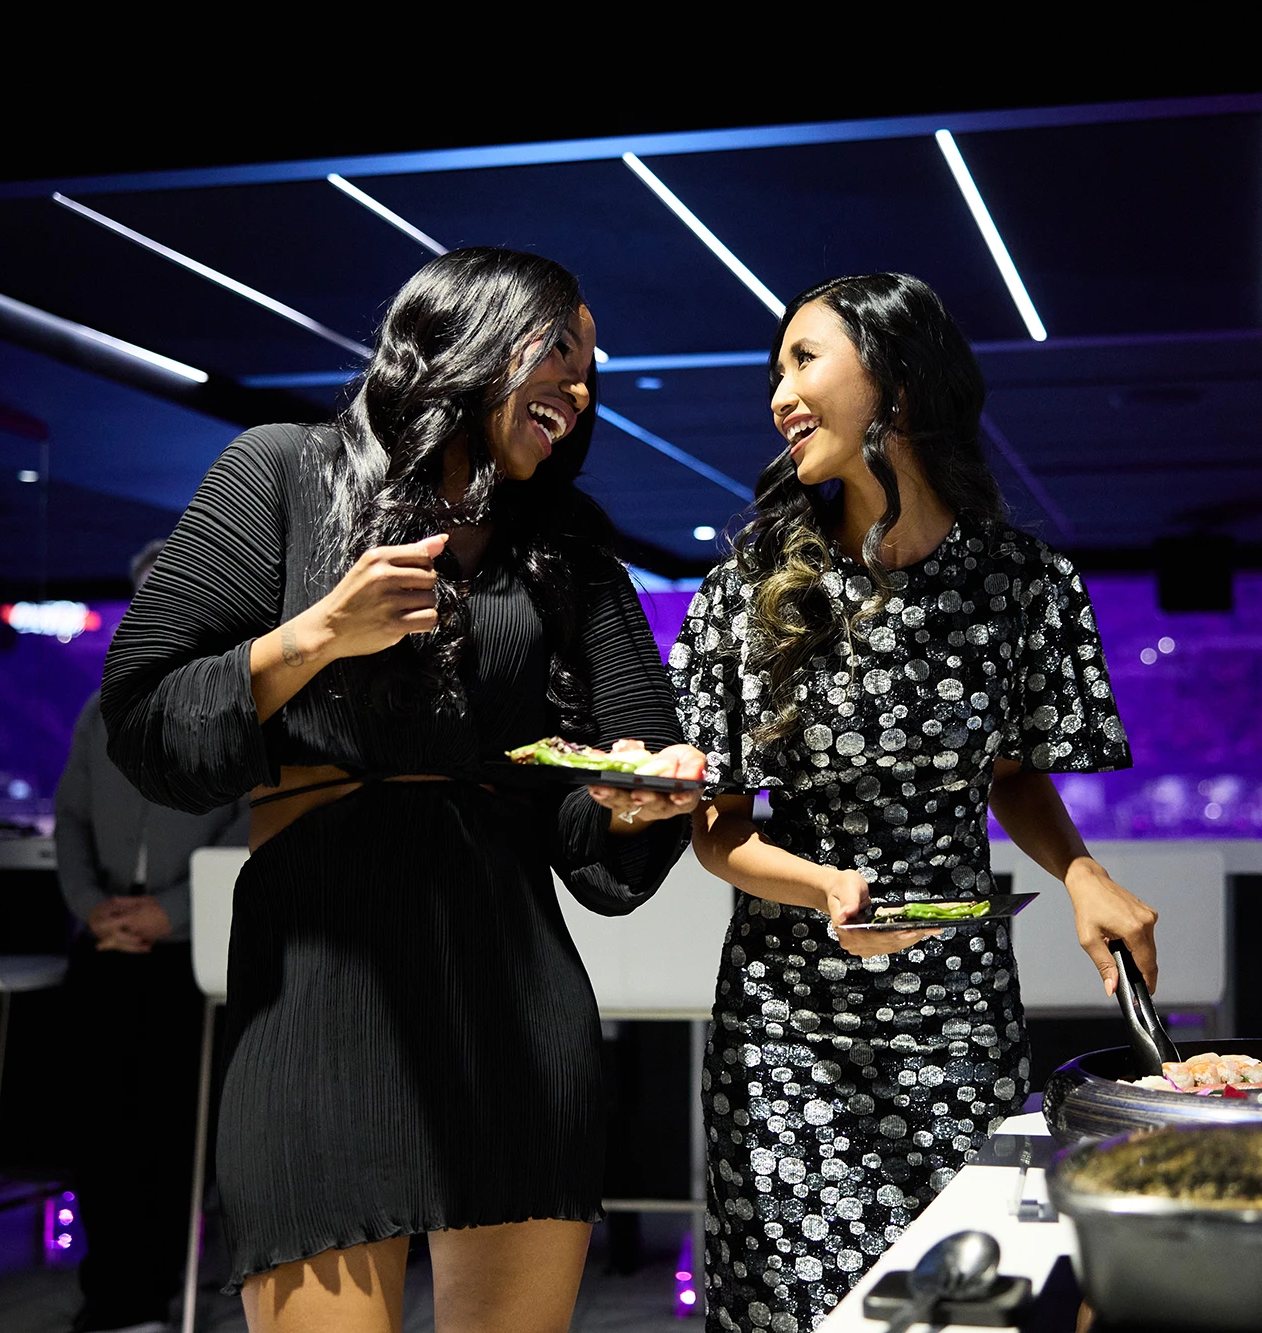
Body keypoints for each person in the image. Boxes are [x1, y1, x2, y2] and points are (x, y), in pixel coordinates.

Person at [100, 248, 704, 1333]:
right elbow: (144, 721)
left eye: (590, 365)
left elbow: (614, 782)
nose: (582, 380)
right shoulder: (281, 472)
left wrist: (632, 798)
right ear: (470, 336)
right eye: (560, 347)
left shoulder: (567, 546)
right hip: (321, 987)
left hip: (513, 994)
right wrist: (318, 635)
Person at [670, 274, 1159, 1331]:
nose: (777, 393)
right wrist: (821, 886)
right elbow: (716, 831)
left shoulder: (1024, 583)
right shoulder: (744, 588)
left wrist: (1082, 874)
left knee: (963, 1294)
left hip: (955, 1010)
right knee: (792, 1305)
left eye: (805, 359)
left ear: (892, 375)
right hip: (785, 1019)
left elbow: (1014, 773)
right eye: (776, 367)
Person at [56, 539, 250, 1333]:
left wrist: (171, 910)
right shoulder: (99, 712)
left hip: (187, 953)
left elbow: (248, 826)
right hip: (102, 941)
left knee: (172, 1132)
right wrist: (88, 904)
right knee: (95, 1127)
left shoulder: (236, 709)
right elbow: (70, 818)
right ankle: (111, 1294)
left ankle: (154, 1292)